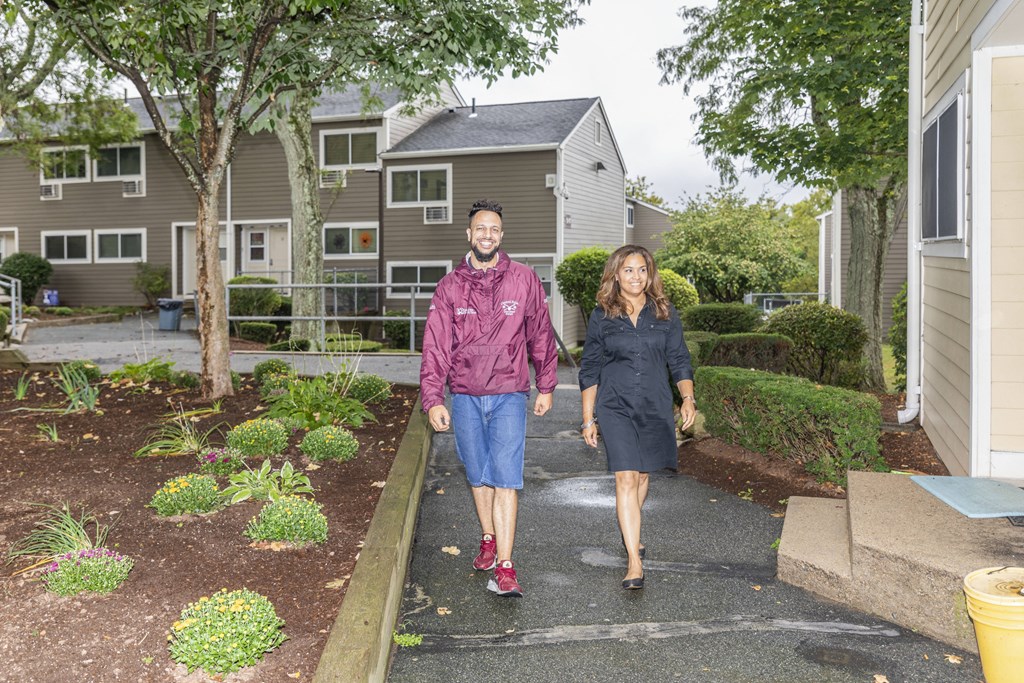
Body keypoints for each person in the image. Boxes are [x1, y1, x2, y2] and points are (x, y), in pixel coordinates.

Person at [420, 198, 558, 598]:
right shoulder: (449, 286)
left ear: (502, 234)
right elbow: (436, 347)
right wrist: (434, 398)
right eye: (481, 229)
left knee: (505, 479)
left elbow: (541, 335)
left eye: (494, 229)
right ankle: (488, 537)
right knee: (478, 475)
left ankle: (506, 566)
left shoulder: (524, 279)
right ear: (469, 234)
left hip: (509, 394)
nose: (487, 235)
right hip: (463, 395)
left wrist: (546, 384)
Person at [578, 245, 696, 589]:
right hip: (615, 406)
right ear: (616, 274)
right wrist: (589, 419)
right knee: (626, 477)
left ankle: (633, 530)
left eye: (641, 269)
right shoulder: (602, 315)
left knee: (643, 476)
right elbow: (590, 369)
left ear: (650, 273)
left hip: (655, 403)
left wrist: (687, 398)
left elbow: (679, 358)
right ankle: (634, 561)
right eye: (628, 270)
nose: (635, 276)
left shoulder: (664, 312)